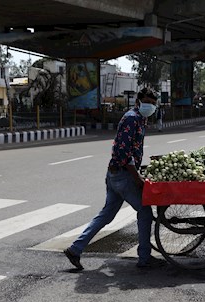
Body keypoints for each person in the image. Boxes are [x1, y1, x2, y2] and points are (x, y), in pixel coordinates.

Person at [63, 87, 166, 270]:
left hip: (115, 174)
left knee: (107, 214)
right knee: (145, 212)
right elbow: (123, 153)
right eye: (147, 102)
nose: (150, 106)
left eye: (153, 103)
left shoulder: (140, 119)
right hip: (122, 176)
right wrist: (137, 178)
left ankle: (75, 249)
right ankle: (144, 258)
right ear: (138, 102)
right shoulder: (132, 119)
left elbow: (132, 151)